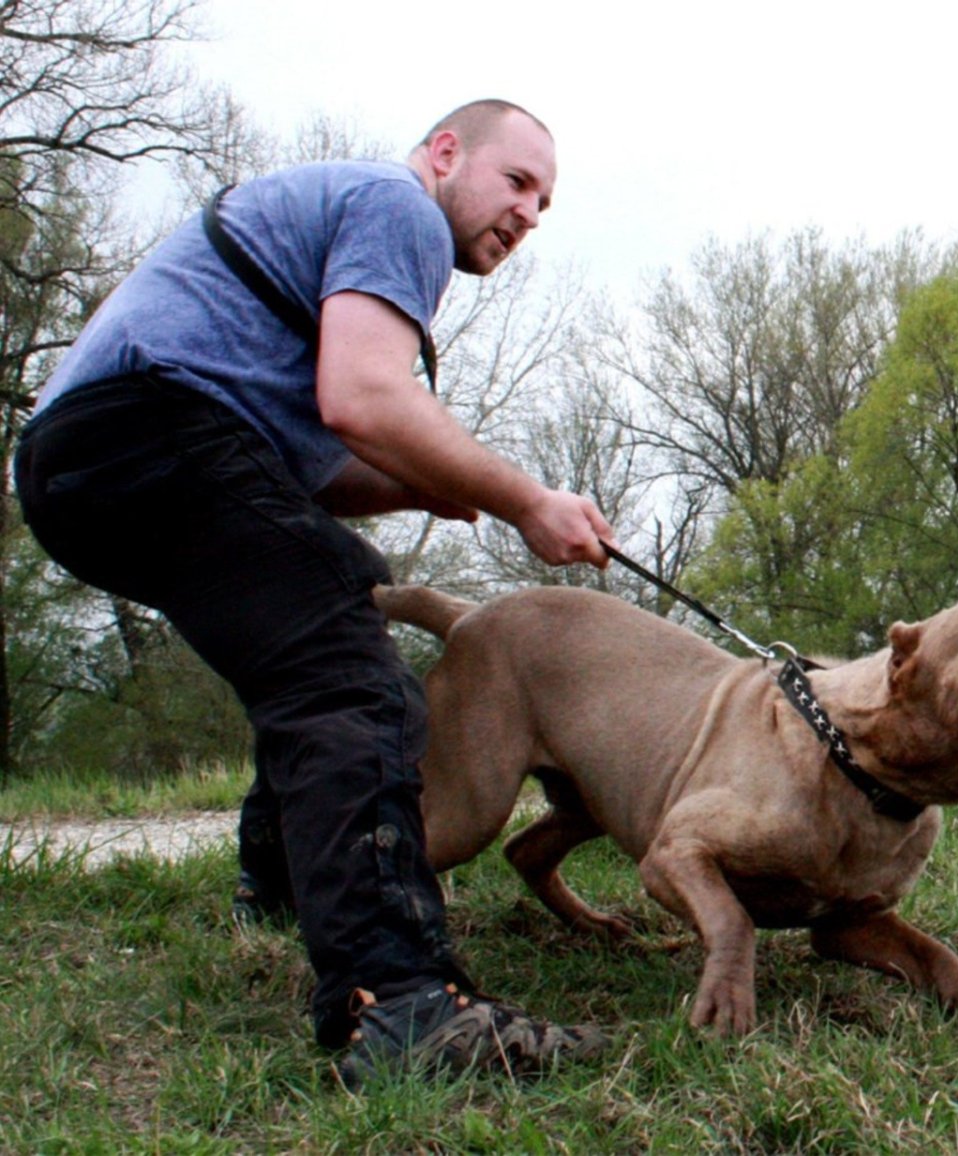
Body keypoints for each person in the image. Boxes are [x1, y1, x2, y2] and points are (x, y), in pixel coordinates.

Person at [15, 99, 614, 1088]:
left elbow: (314, 464)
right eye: (516, 182)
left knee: (339, 599)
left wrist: (430, 482)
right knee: (350, 677)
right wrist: (527, 501)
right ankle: (408, 1007)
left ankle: (282, 883)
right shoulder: (398, 206)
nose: (527, 214)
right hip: (145, 431)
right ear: (446, 152)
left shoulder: (341, 235)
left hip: (87, 464)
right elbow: (363, 398)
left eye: (544, 204)